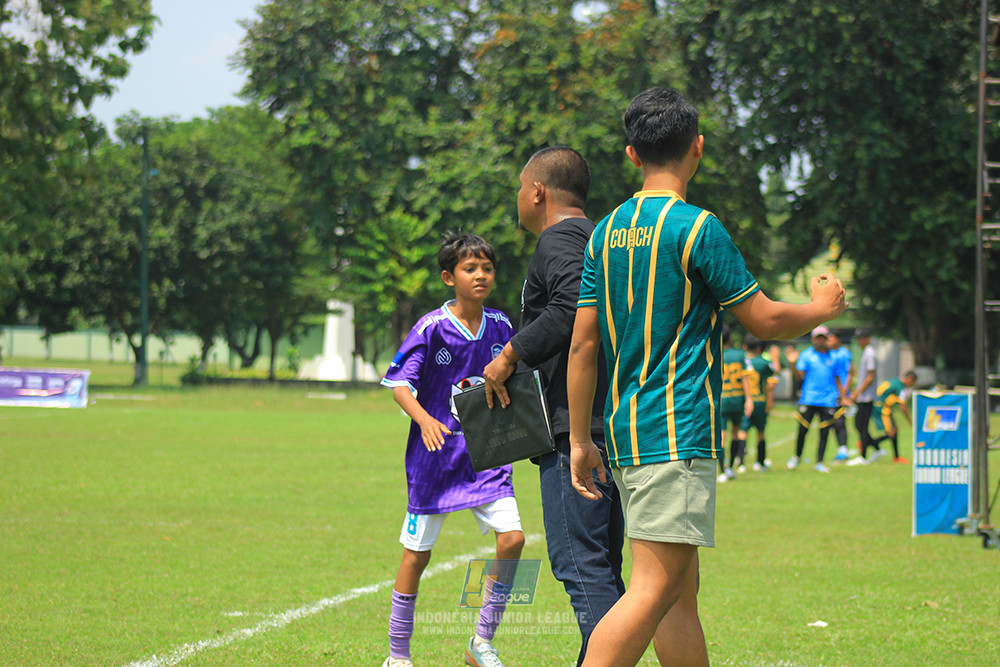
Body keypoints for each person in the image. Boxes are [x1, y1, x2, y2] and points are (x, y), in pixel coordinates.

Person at [565, 86, 848, 667]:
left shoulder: (606, 230)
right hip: (676, 429)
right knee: (652, 589)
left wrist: (578, 439)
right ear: (697, 148)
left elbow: (582, 344)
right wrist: (820, 308)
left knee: (677, 597)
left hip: (624, 430)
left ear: (632, 154)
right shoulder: (697, 229)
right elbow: (764, 319)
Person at [481, 146, 624, 666]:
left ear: (538, 191)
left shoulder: (560, 238)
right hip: (610, 424)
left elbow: (569, 310)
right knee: (603, 564)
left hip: (576, 432)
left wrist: (508, 355)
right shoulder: (604, 238)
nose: (518, 198)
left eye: (521, 188)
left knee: (579, 563)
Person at [380, 233, 525, 667]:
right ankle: (398, 656)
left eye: (487, 268)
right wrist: (425, 419)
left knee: (514, 540)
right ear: (449, 277)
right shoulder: (432, 327)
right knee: (417, 556)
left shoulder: (501, 326)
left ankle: (480, 642)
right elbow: (399, 385)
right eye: (469, 268)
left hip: (486, 457)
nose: (480, 275)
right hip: (435, 459)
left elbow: (515, 374)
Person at [789, 325, 846, 473]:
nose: (820, 341)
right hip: (808, 398)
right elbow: (798, 376)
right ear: (813, 339)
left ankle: (819, 462)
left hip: (828, 400)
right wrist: (792, 363)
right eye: (818, 338)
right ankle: (796, 457)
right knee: (802, 430)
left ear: (826, 339)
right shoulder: (807, 355)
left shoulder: (834, 357)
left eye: (823, 338)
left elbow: (838, 378)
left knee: (825, 432)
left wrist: (843, 397)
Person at [739, 334, 779, 471]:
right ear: (758, 347)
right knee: (760, 432)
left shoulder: (741, 361)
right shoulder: (763, 362)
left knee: (742, 432)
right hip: (760, 401)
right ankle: (760, 463)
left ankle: (741, 463)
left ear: (745, 346)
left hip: (744, 402)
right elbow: (773, 378)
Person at [717, 325, 749, 481]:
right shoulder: (739, 355)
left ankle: (722, 471)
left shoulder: (715, 353)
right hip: (737, 399)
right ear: (730, 338)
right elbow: (745, 378)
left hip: (721, 400)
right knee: (735, 433)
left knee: (721, 436)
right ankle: (730, 468)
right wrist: (749, 398)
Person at [870, 370, 918, 464]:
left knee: (894, 431)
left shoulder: (894, 381)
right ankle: (867, 443)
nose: (912, 385)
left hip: (878, 406)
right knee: (891, 432)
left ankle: (896, 457)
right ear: (909, 379)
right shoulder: (900, 388)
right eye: (912, 382)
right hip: (882, 409)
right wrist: (910, 421)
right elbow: (903, 407)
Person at [846, 328, 878, 465]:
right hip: (863, 396)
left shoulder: (870, 353)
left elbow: (871, 376)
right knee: (859, 424)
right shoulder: (865, 353)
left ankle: (863, 456)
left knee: (862, 425)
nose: (859, 341)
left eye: (861, 338)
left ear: (867, 338)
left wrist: (857, 392)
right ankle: (876, 448)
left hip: (867, 396)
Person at [827, 330, 855, 462]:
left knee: (839, 422)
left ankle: (843, 451)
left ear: (838, 339)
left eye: (831, 338)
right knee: (831, 423)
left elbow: (850, 372)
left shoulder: (844, 353)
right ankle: (840, 449)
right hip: (829, 394)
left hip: (840, 394)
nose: (828, 341)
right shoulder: (828, 354)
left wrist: (844, 392)